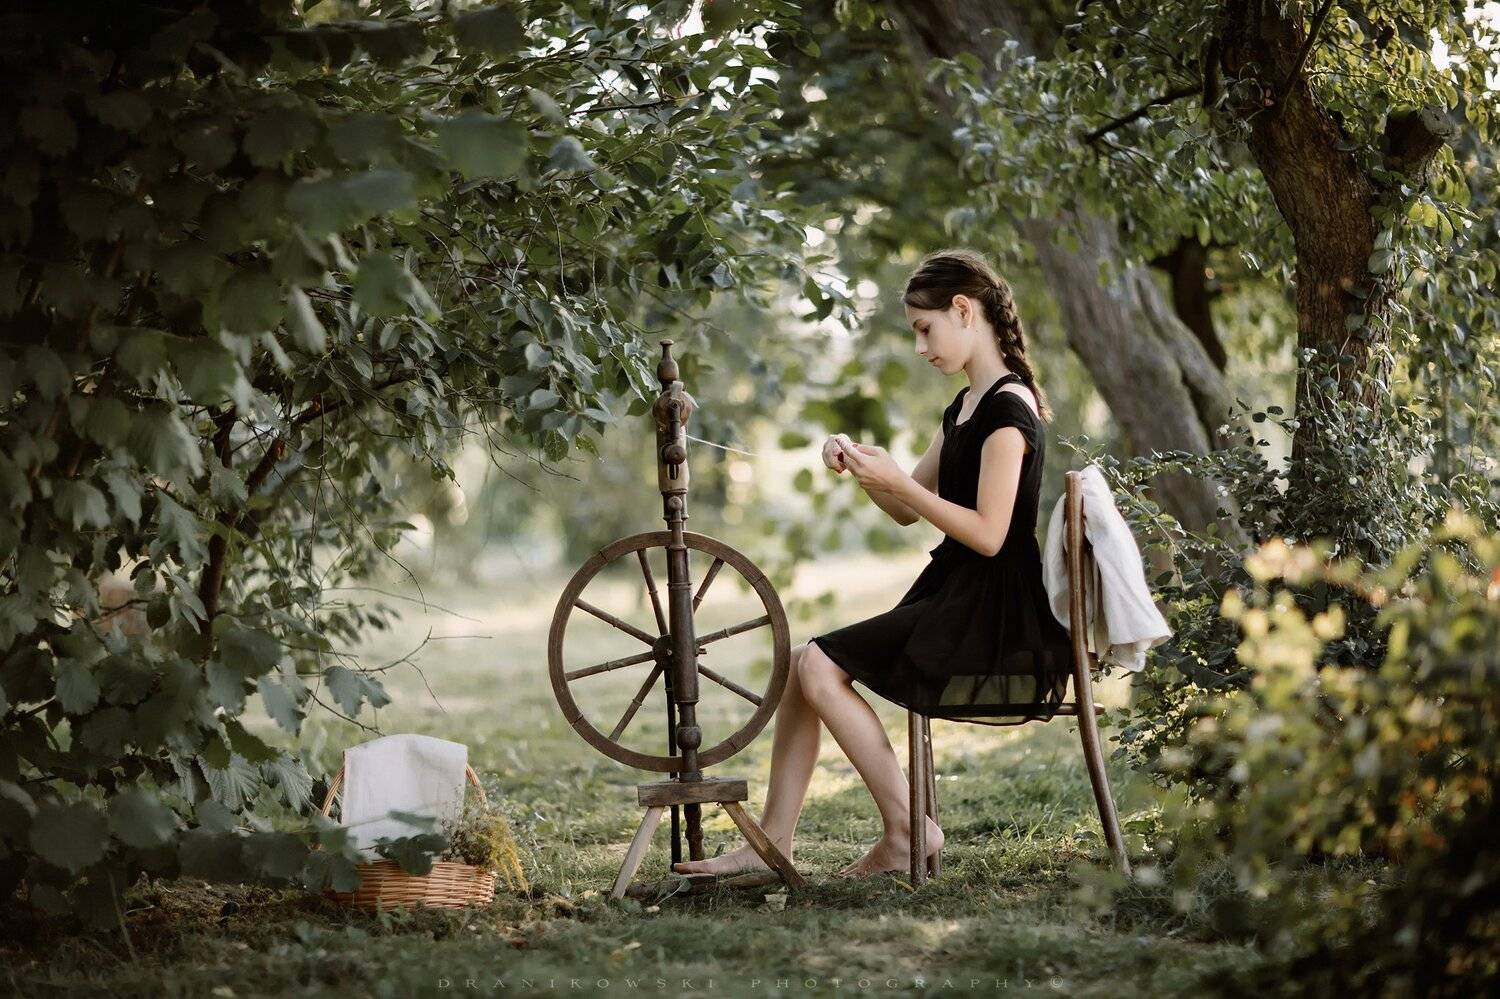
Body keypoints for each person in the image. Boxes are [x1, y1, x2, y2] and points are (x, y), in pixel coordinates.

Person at [673, 248, 1074, 879]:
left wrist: (902, 484)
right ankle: (773, 841)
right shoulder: (967, 406)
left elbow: (992, 536)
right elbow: (906, 509)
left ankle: (907, 832)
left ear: (963, 311)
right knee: (804, 660)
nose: (921, 348)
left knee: (822, 664)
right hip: (957, 592)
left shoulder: (1008, 412)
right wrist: (862, 466)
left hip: (996, 611)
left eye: (925, 328)